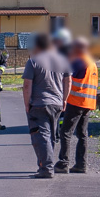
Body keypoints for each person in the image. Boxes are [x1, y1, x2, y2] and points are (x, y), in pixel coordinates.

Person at [22, 34, 72, 178]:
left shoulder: (33, 62)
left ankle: (46, 168)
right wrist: (64, 99)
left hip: (39, 103)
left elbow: (27, 85)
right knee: (50, 136)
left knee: (41, 136)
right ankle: (44, 165)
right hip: (56, 103)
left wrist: (26, 103)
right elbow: (68, 81)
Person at [55, 37, 97, 174]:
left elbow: (66, 78)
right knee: (82, 134)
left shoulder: (78, 61)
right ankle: (81, 164)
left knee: (65, 132)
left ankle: (63, 163)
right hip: (88, 103)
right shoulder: (91, 62)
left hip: (76, 101)